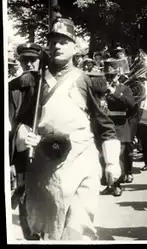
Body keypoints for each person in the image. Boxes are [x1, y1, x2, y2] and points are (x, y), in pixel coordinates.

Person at [10, 17, 121, 240]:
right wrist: (23, 135)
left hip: (81, 161)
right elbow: (20, 121)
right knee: (50, 230)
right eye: (53, 42)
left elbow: (105, 125)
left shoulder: (87, 80)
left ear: (75, 47)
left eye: (64, 41)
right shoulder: (33, 81)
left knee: (78, 228)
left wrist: (111, 162)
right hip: (45, 166)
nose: (58, 46)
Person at [100, 59, 136, 196]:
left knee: (117, 157)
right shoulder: (102, 89)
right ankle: (110, 183)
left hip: (120, 126)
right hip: (105, 125)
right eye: (108, 76)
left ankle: (117, 185)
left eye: (113, 76)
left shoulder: (124, 89)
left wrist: (114, 93)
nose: (110, 78)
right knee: (105, 156)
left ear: (118, 76)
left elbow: (131, 105)